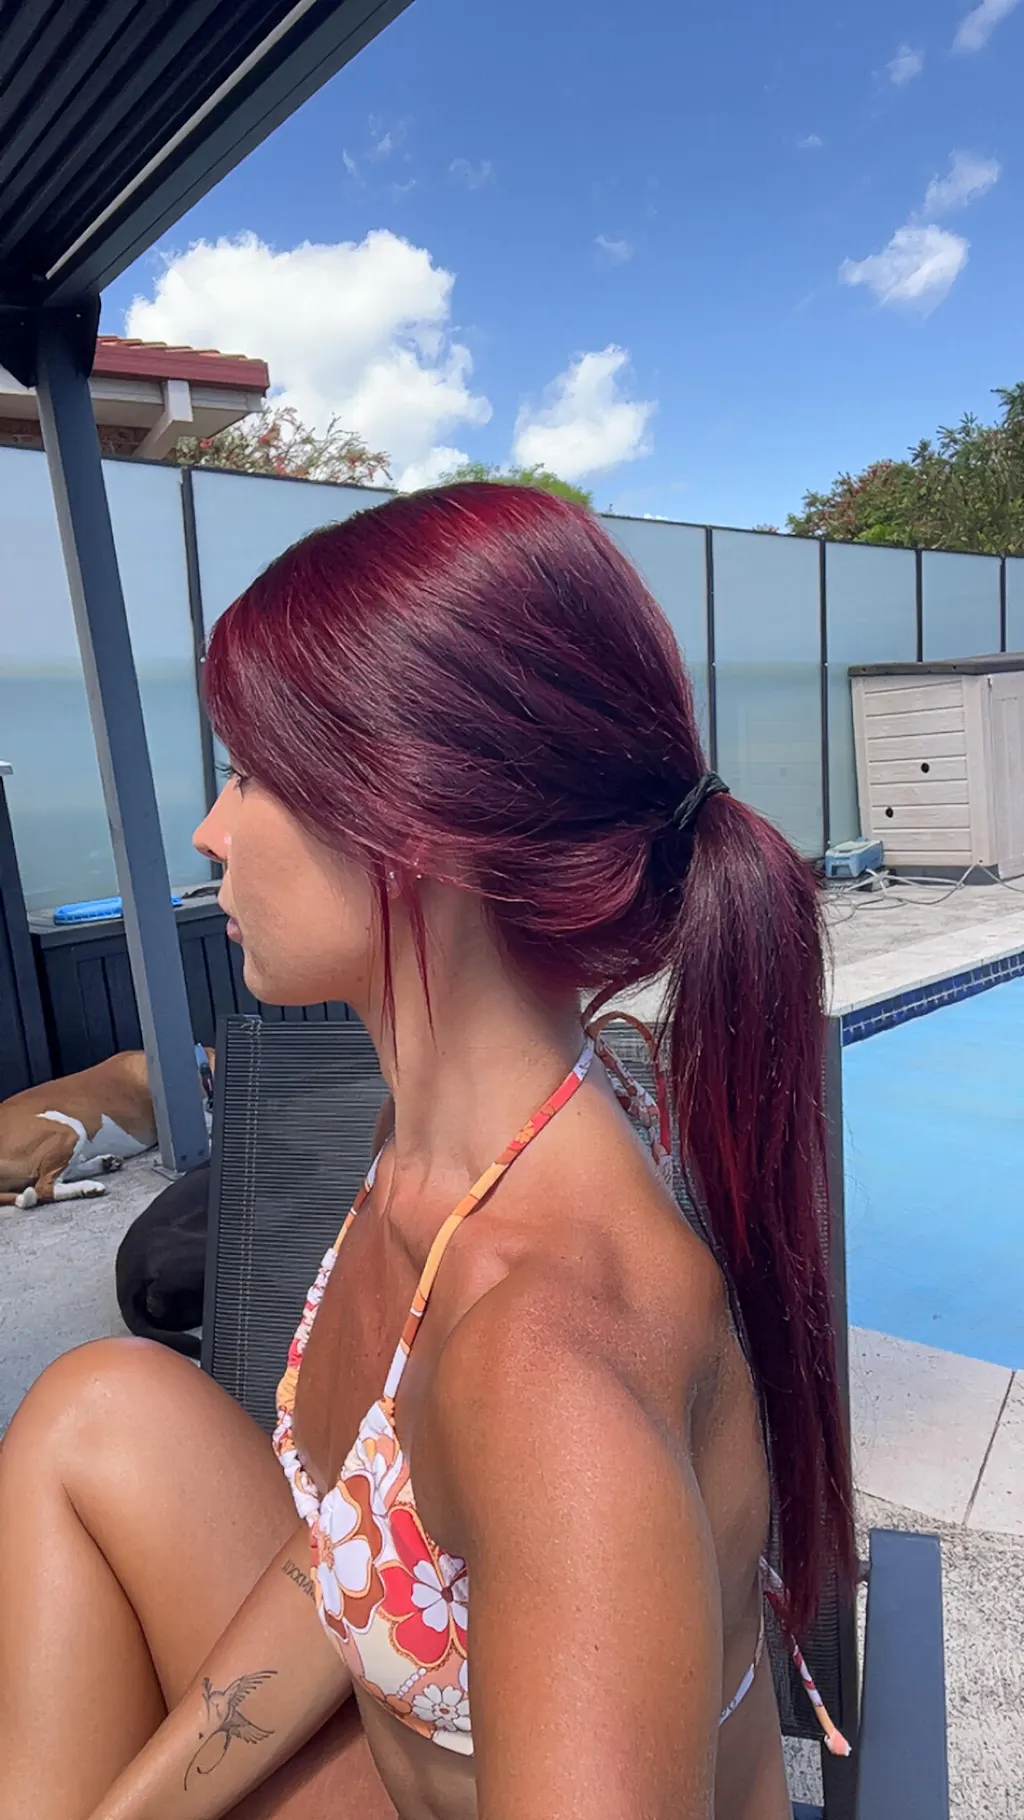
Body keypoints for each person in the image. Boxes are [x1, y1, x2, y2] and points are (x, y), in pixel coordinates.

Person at [0, 483, 854, 1820]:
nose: (211, 831)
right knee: (95, 1406)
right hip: (409, 1765)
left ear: (415, 825)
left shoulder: (547, 1370)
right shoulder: (441, 1146)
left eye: (251, 772)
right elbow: (351, 1536)